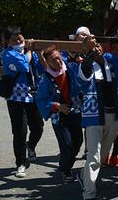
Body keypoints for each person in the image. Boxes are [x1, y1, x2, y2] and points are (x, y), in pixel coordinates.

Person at [76, 34, 118, 200]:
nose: (96, 47)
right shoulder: (84, 64)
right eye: (91, 46)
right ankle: (89, 194)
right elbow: (82, 78)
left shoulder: (112, 61)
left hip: (115, 115)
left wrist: (110, 57)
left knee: (102, 156)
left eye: (97, 44)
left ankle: (83, 176)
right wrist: (89, 56)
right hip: (95, 115)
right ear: (84, 50)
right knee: (94, 156)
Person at [35, 46, 83, 183]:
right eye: (53, 60)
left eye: (58, 57)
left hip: (75, 111)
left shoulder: (70, 70)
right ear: (48, 63)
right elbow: (41, 99)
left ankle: (66, 165)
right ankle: (65, 169)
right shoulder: (46, 79)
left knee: (78, 141)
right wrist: (57, 106)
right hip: (59, 116)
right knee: (66, 144)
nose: (57, 61)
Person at [1, 26, 44, 178]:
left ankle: (30, 146)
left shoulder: (29, 52)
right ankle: (20, 163)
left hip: (33, 95)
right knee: (20, 132)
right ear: (8, 41)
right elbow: (24, 65)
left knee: (38, 127)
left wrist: (38, 52)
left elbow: (41, 68)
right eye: (14, 39)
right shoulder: (7, 54)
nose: (19, 40)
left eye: (20, 37)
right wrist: (30, 49)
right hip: (15, 98)